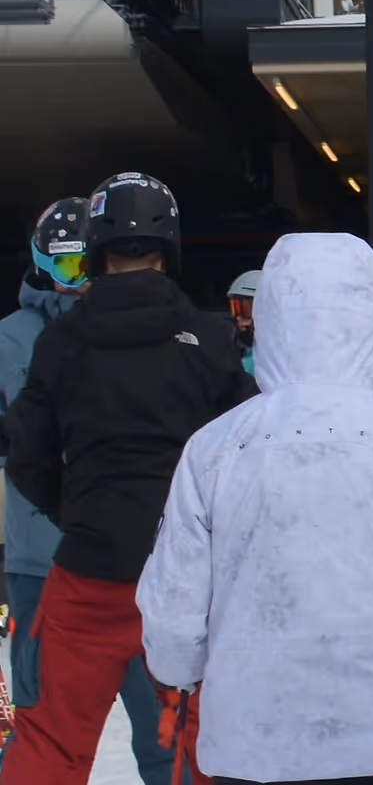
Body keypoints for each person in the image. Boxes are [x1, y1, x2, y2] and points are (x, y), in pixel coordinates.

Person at [134, 233, 373, 784]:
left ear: (271, 323)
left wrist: (179, 669)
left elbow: (174, 607)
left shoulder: (215, 448)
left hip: (257, 748)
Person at [1, 172, 253, 785]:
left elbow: (25, 454)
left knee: (53, 739)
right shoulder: (209, 340)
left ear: (95, 249)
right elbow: (247, 451)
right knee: (191, 742)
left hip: (87, 572)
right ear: (168, 247)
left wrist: (79, 511)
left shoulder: (61, 342)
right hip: (185, 576)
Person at [0, 199, 172, 785]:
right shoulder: (10, 339)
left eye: (86, 269)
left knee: (162, 731)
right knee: (47, 729)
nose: (77, 286)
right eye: (64, 270)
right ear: (40, 265)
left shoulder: (133, 333)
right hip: (39, 561)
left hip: (130, 562)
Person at [226, 270, 261, 377]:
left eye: (246, 310)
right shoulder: (230, 354)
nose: (240, 320)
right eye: (235, 307)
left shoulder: (280, 360)